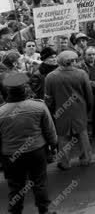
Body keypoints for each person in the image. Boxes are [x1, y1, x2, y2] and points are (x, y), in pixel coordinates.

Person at [0, 73, 58, 214]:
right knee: (39, 182)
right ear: (25, 89)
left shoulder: (1, 112)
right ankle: (44, 210)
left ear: (8, 91)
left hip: (11, 155)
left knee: (15, 186)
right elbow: (50, 130)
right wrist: (54, 146)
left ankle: (15, 211)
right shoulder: (38, 106)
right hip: (36, 151)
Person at [44, 51, 93, 170]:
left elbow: (48, 99)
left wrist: (51, 111)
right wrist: (88, 109)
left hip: (60, 112)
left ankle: (64, 163)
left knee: (63, 138)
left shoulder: (50, 76)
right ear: (73, 60)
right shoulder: (82, 74)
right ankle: (86, 159)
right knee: (82, 135)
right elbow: (89, 95)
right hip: (79, 110)